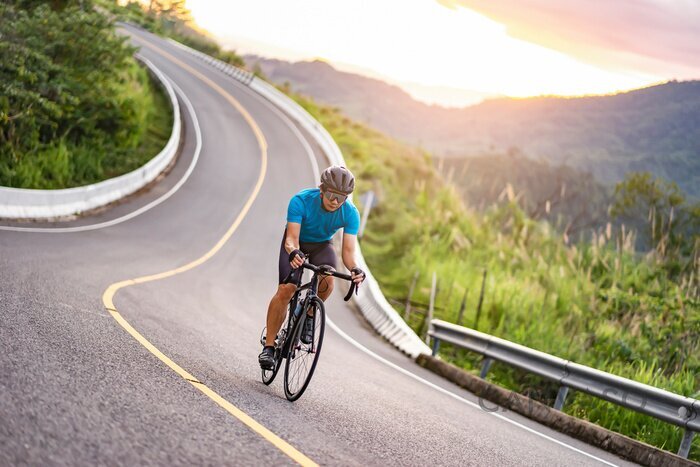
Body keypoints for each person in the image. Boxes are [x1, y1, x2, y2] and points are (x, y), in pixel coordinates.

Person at [259, 165, 366, 369]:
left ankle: (308, 314)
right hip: (296, 243)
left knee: (328, 280)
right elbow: (291, 239)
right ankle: (269, 347)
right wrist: (293, 252)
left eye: (341, 197)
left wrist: (355, 269)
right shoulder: (301, 200)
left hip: (322, 245)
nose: (335, 201)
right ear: (322, 190)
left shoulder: (350, 213)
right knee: (287, 289)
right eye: (332, 195)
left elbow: (348, 253)